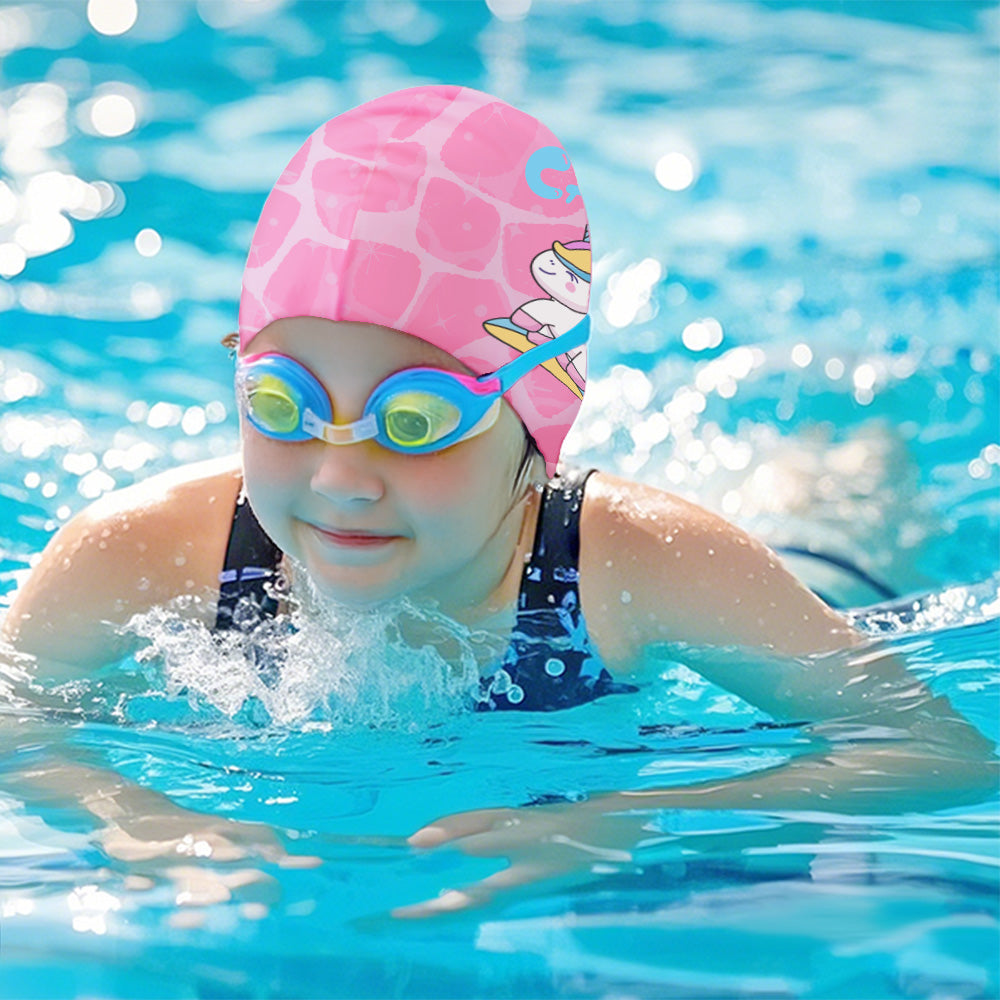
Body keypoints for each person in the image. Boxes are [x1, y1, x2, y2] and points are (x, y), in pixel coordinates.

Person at [1, 85, 994, 917]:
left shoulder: (636, 565)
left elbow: (936, 750)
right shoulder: (143, 548)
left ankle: (842, 449)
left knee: (828, 510)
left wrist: (640, 817)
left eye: (417, 417)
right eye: (283, 401)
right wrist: (124, 812)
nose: (340, 474)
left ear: (535, 419)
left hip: (808, 571)